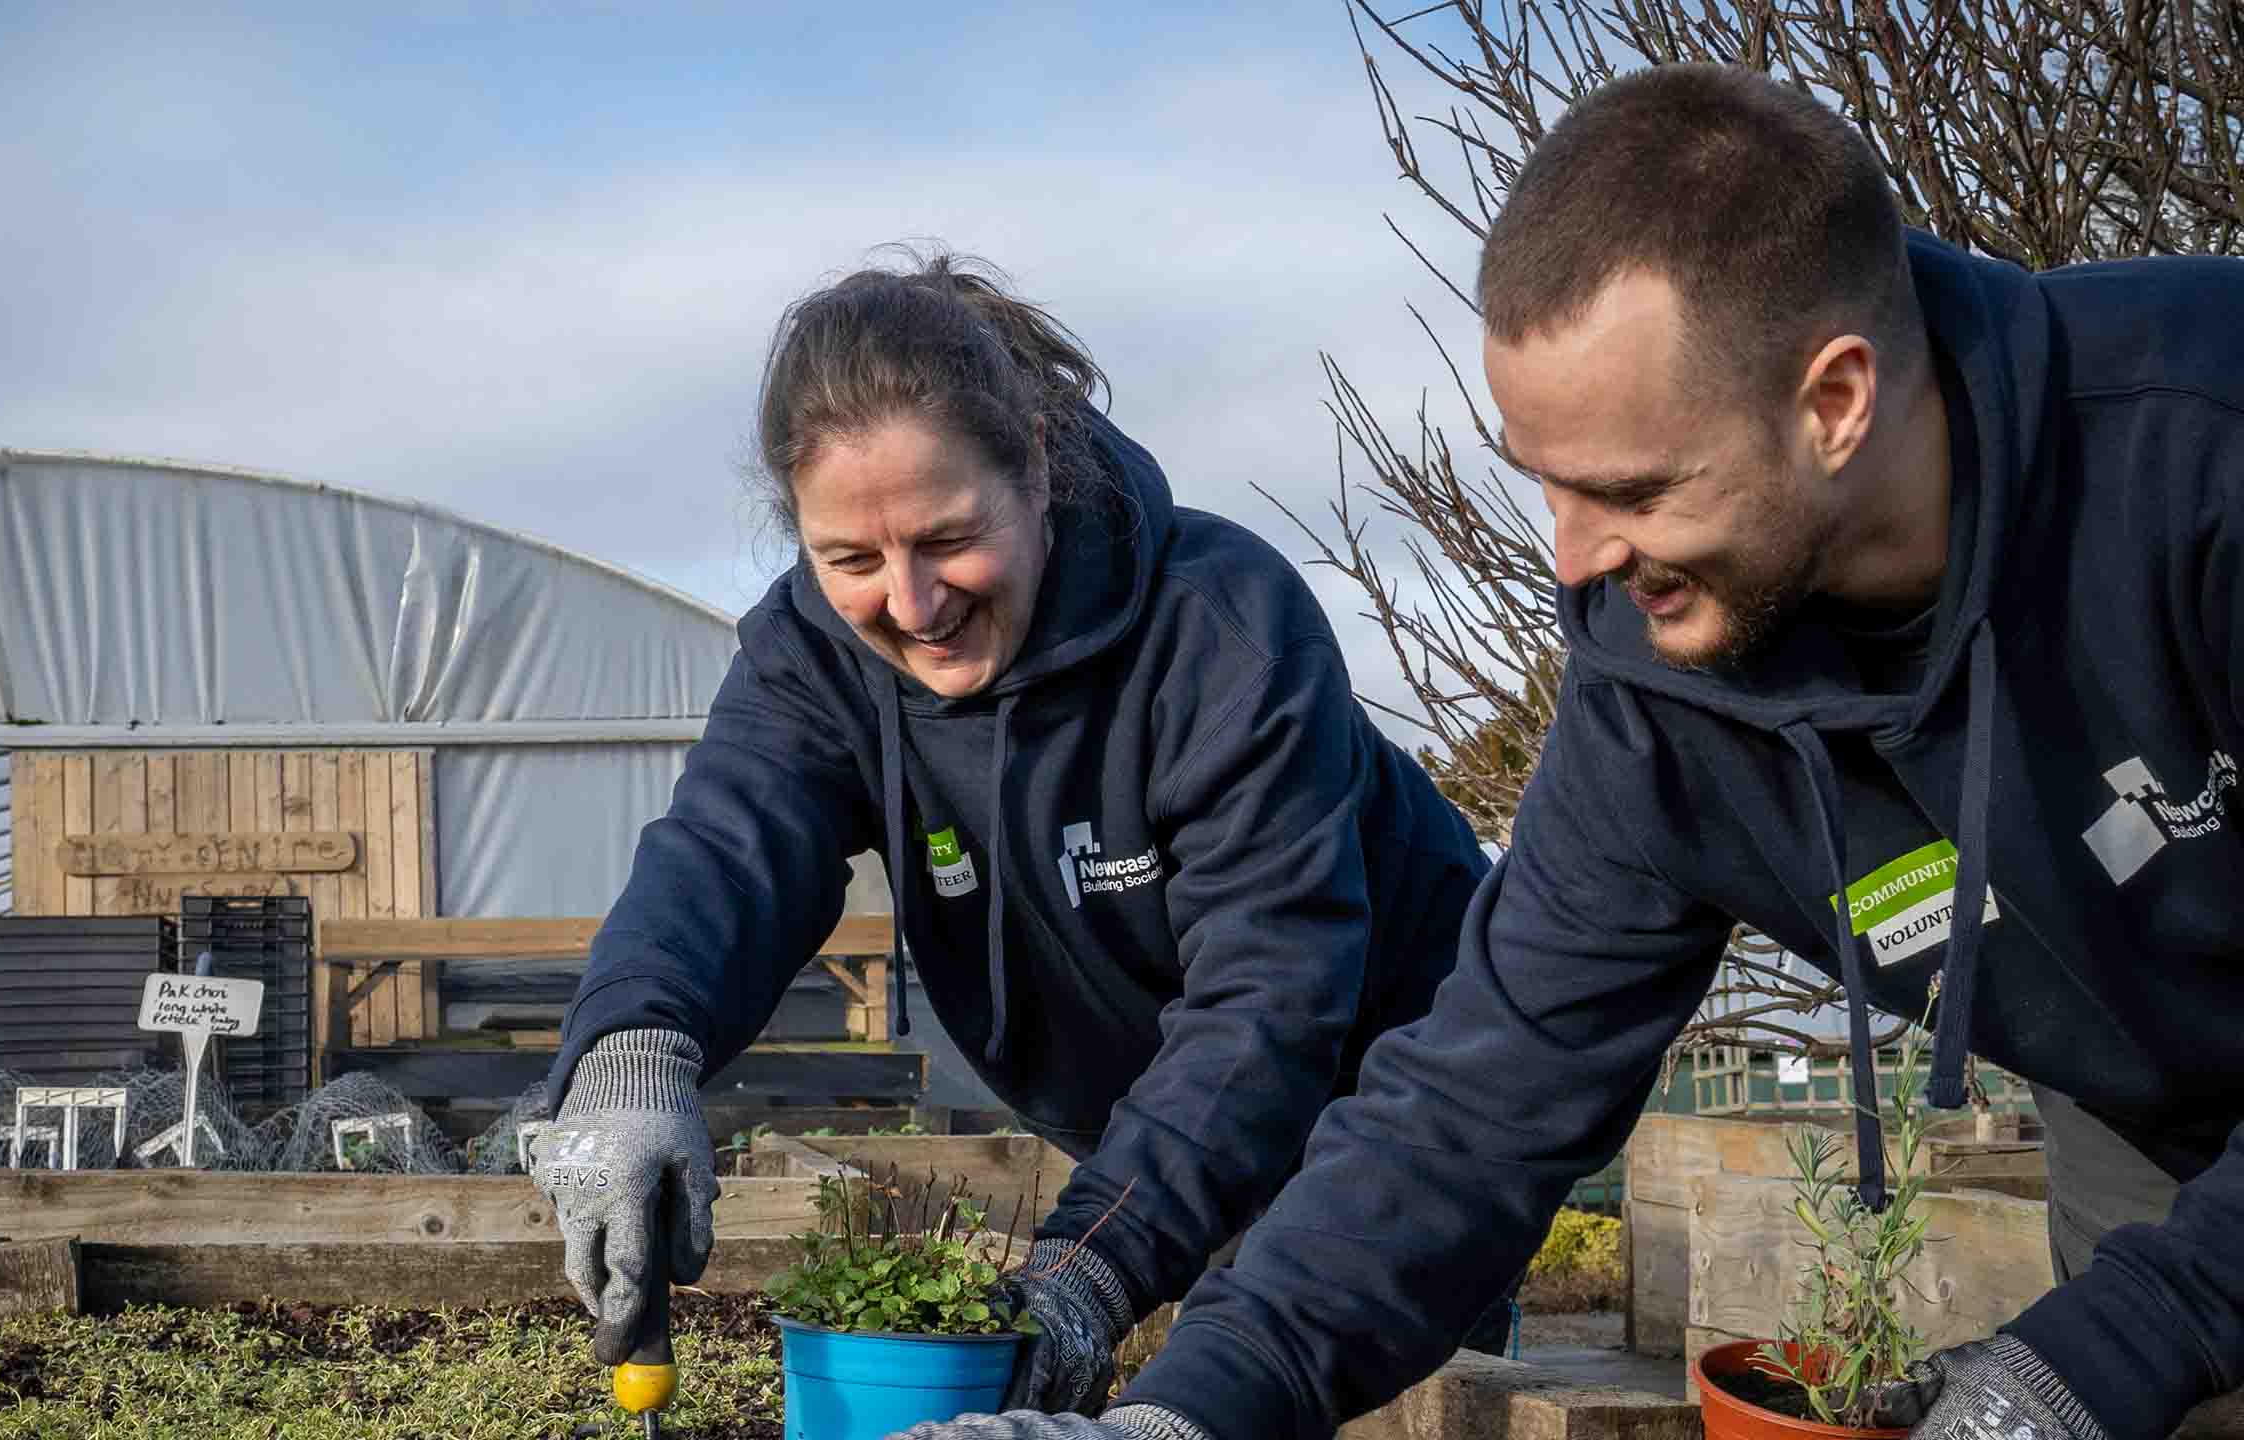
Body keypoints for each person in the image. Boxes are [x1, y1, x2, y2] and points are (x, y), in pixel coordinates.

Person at [898, 62, 2244, 1440]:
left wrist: (2098, 1356)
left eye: (1632, 489)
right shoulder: (1662, 684)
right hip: (2154, 1131)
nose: (1576, 559)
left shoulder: (2201, 458)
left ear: (1833, 402)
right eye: (1545, 479)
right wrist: (1178, 1419)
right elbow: (1467, 1111)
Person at [529, 247, 1503, 1415]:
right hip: (1158, 1104)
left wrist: (1091, 1263)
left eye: (947, 539)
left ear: (1036, 471)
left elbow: (1269, 998)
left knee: (1341, 1389)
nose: (912, 603)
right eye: (850, 557)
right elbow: (729, 851)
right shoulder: (812, 654)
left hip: (1393, 1083)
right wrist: (632, 1052)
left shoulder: (1221, 628)